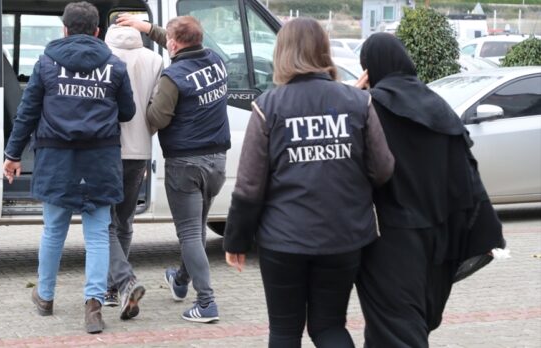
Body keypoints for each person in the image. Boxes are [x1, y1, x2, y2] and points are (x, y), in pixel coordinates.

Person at [222, 18, 394, 348]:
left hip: (283, 240)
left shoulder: (268, 107)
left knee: (285, 331)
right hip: (344, 236)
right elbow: (383, 169)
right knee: (329, 326)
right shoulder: (358, 102)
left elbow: (250, 186)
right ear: (324, 50)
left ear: (282, 53)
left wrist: (236, 240)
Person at [355, 33, 505, 347]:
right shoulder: (436, 105)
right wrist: (484, 229)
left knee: (397, 329)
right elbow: (467, 171)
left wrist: (355, 96)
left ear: (371, 67)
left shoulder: (369, 107)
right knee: (411, 323)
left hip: (390, 240)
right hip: (439, 239)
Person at [2, 2, 135, 334]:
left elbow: (27, 113)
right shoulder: (115, 67)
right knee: (98, 236)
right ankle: (94, 305)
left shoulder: (47, 64)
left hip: (56, 160)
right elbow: (128, 112)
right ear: (97, 32)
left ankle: (45, 296)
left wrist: (12, 154)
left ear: (64, 29)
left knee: (53, 231)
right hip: (100, 161)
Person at [117, 14, 230, 323]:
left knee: (190, 233)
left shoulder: (173, 77)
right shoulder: (216, 61)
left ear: (175, 44)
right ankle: (180, 281)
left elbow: (155, 119)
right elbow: (178, 41)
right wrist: (146, 29)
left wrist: (147, 97)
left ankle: (206, 303)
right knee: (197, 228)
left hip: (186, 164)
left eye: (168, 39)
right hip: (218, 162)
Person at [102, 24, 163, 320]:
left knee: (104, 222)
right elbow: (156, 109)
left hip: (107, 149)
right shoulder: (154, 60)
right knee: (125, 220)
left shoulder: (102, 57)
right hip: (139, 152)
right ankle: (116, 287)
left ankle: (117, 286)